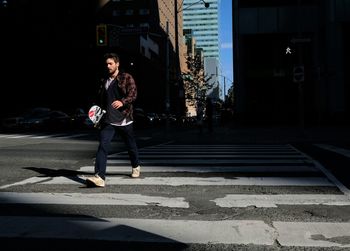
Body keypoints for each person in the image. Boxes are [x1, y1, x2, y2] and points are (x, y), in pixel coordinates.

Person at [86, 52, 141, 187]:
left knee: (131, 146)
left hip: (124, 119)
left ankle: (136, 165)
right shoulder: (103, 80)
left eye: (111, 63)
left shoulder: (126, 77)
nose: (108, 66)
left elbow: (133, 94)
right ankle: (99, 177)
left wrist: (123, 101)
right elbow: (101, 100)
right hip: (108, 120)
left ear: (117, 64)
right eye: (106, 64)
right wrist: (98, 117)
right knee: (102, 147)